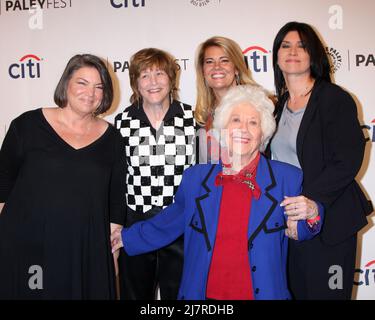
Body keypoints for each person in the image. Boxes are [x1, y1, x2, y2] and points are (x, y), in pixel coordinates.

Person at [111, 84, 322, 300]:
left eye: (253, 122)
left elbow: (302, 229)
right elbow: (169, 222)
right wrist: (125, 238)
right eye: (236, 120)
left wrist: (313, 213)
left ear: (264, 133)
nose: (243, 129)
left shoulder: (287, 177)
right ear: (223, 128)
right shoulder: (195, 179)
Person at [0, 54, 125, 299]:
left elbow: (115, 201)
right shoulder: (26, 126)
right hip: (28, 247)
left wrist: (112, 255)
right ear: (66, 83)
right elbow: (2, 184)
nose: (90, 92)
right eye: (82, 82)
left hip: (84, 250)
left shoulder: (112, 138)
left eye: (99, 86)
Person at [269, 21, 373, 300]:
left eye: (302, 46)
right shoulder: (277, 107)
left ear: (314, 54)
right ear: (276, 55)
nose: (293, 51)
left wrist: (312, 200)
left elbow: (348, 158)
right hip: (290, 227)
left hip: (329, 222)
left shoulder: (333, 98)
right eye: (285, 45)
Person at [114, 48, 196, 300]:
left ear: (171, 78)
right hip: (137, 224)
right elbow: (116, 179)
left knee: (181, 297)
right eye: (145, 75)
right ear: (135, 83)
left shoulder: (193, 119)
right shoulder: (121, 122)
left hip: (180, 225)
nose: (153, 82)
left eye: (159, 73)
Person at [194, 36, 258, 163]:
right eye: (209, 62)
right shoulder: (201, 117)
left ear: (237, 68)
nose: (216, 67)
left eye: (224, 60)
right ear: (203, 71)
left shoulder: (257, 106)